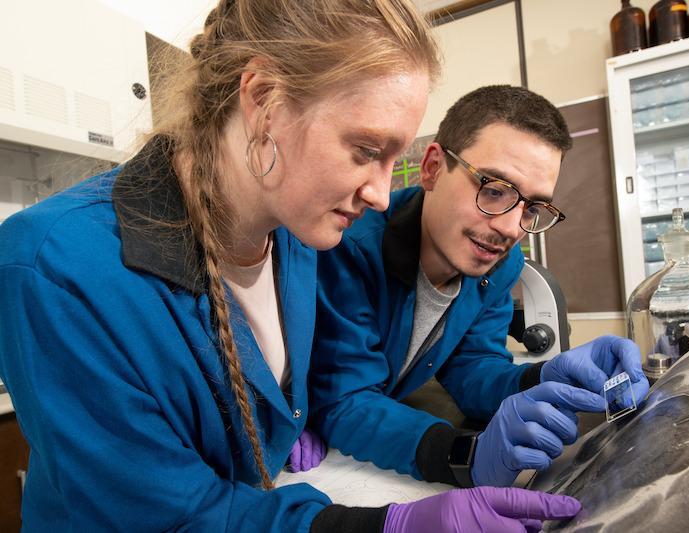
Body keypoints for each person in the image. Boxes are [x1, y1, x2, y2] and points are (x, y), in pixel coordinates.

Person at [0, 1, 582, 531]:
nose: (383, 194)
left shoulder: (299, 242)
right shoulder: (54, 267)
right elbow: (169, 513)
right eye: (365, 150)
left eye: (393, 158)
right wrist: (383, 526)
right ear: (263, 100)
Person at [309, 85, 650, 489]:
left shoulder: (502, 266)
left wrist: (544, 377)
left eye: (533, 208)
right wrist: (462, 454)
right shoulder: (352, 245)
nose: (509, 229)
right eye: (493, 190)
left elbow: (473, 368)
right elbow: (346, 399)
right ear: (433, 168)